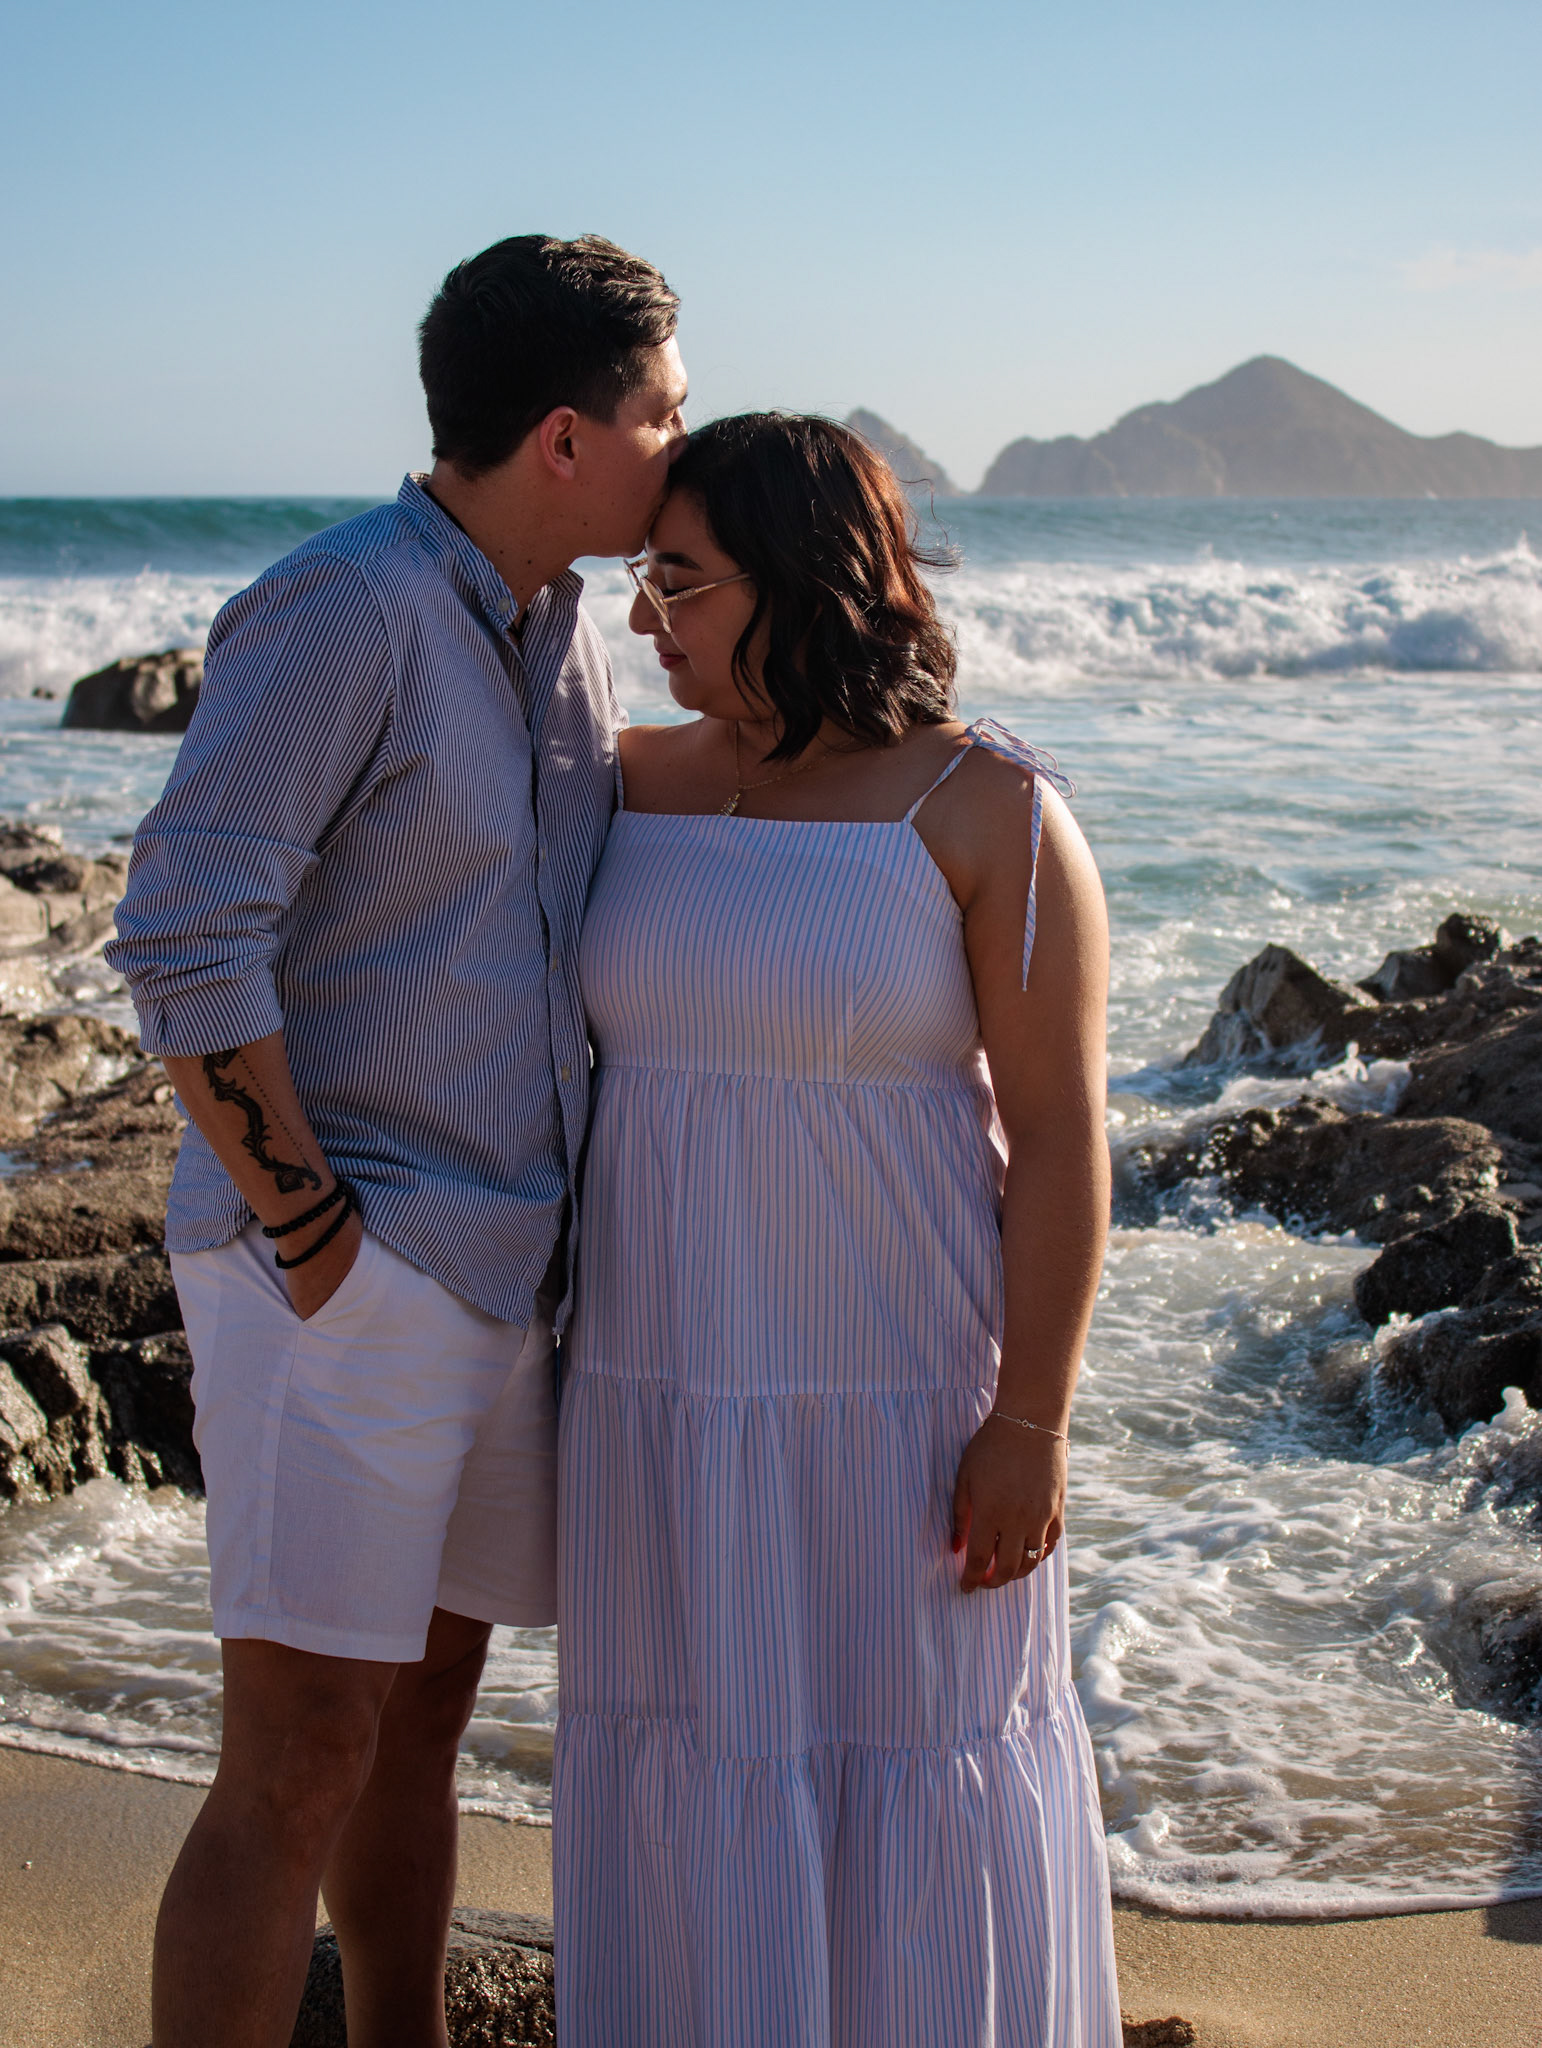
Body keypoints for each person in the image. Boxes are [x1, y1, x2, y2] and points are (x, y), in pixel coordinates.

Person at [105, 232, 687, 2048]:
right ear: (566, 436)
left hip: (508, 1268)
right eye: (664, 408)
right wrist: (310, 1234)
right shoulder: (341, 610)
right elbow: (185, 927)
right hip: (348, 1272)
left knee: (428, 1712)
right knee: (295, 1753)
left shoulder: (561, 628)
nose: (686, 438)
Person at [554, 413, 1120, 2045]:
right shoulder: (623, 786)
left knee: (914, 1764)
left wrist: (1032, 1422)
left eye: (681, 581)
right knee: (684, 1757)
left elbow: (1067, 1149)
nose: (646, 622)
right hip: (657, 1397)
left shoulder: (987, 809)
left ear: (803, 578)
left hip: (901, 1404)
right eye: (639, 581)